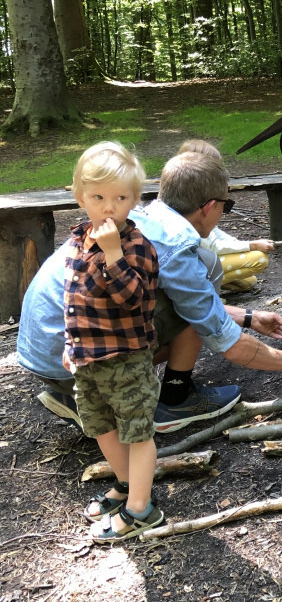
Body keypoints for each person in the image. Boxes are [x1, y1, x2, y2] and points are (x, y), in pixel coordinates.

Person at [18, 148, 282, 435]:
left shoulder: (143, 219)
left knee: (195, 284)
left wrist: (248, 317)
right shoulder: (175, 246)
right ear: (209, 207)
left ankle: (75, 397)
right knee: (199, 293)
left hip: (45, 356)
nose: (223, 213)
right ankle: (176, 399)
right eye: (226, 206)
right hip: (73, 365)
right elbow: (223, 338)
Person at [62, 143, 164, 541]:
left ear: (135, 199)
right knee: (100, 425)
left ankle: (141, 509)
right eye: (98, 197)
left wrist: (113, 255)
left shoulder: (136, 247)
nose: (109, 208)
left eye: (120, 198)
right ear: (80, 197)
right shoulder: (78, 239)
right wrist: (69, 344)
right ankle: (125, 483)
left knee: (137, 431)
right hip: (87, 357)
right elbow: (72, 298)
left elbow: (134, 299)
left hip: (126, 358)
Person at [178, 141, 274, 293]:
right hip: (193, 263)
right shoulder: (190, 205)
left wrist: (239, 244)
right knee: (259, 259)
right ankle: (204, 293)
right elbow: (214, 247)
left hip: (204, 260)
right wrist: (251, 246)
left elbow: (215, 233)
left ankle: (209, 287)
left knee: (249, 282)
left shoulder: (194, 195)